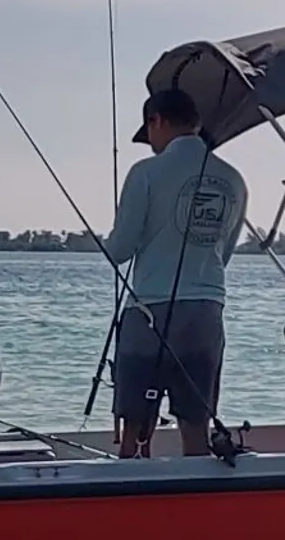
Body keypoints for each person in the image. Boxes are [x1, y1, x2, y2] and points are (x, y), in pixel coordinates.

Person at [103, 85, 249, 456]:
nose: (150, 143)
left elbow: (119, 250)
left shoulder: (146, 172)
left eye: (149, 133)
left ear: (157, 121)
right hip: (205, 312)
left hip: (151, 311)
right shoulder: (234, 179)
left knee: (136, 425)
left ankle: (131, 492)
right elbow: (224, 253)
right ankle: (195, 496)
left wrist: (100, 242)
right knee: (195, 422)